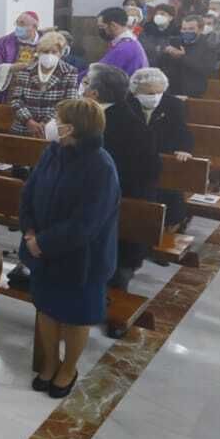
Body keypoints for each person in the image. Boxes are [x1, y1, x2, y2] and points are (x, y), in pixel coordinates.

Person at [20, 98, 120, 397]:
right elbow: (29, 192)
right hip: (42, 250)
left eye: (57, 119)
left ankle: (69, 368)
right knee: (47, 309)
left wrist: (43, 243)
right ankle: (50, 362)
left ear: (72, 128)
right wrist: (29, 232)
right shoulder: (52, 152)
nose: (53, 123)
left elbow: (86, 223)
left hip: (82, 258)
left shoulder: (101, 166)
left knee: (75, 315)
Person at [83, 64, 157, 291]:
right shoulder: (99, 116)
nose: (82, 86)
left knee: (113, 277)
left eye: (85, 82)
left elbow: (147, 172)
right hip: (99, 210)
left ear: (94, 93)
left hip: (119, 216)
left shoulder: (124, 125)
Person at [130, 67, 194, 229]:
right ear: (136, 91)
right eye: (149, 93)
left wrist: (184, 149)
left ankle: (172, 223)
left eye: (159, 92)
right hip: (136, 159)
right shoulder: (127, 103)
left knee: (167, 188)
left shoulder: (173, 104)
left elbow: (182, 131)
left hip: (163, 156)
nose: (155, 97)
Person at [6, 30, 80, 137]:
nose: (49, 55)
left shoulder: (70, 71)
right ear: (38, 52)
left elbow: (68, 103)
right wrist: (29, 121)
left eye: (54, 52)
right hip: (23, 128)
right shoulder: (26, 70)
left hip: (53, 129)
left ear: (61, 53)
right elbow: (16, 100)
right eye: (45, 52)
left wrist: (45, 123)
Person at [0, 11, 41, 103]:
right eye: (17, 23)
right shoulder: (4, 42)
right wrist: (11, 67)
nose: (18, 27)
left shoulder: (45, 43)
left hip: (35, 94)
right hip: (7, 94)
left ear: (34, 27)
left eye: (22, 24)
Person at [153, 14, 215, 98]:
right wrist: (164, 52)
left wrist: (182, 58)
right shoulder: (174, 41)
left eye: (191, 29)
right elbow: (160, 64)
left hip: (193, 92)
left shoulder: (208, 46)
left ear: (201, 29)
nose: (187, 32)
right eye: (184, 29)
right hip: (171, 89)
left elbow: (206, 69)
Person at [95, 7, 148, 76]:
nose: (100, 30)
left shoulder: (124, 48)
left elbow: (99, 72)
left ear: (113, 25)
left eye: (102, 27)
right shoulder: (128, 42)